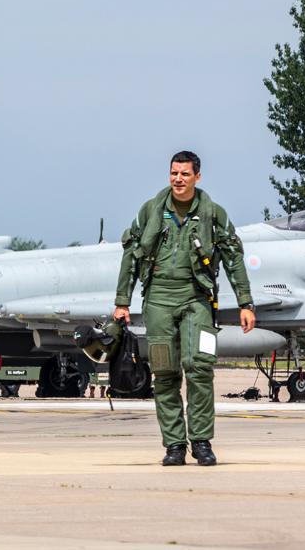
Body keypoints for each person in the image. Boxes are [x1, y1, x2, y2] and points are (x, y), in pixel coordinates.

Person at [114, 151, 254, 467]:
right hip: (158, 300)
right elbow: (131, 255)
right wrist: (122, 301)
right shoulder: (150, 211)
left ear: (197, 177)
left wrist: (245, 303)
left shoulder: (213, 214)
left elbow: (233, 258)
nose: (178, 179)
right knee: (164, 372)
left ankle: (201, 442)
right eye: (174, 173)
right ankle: (174, 445)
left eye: (185, 174)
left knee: (199, 368)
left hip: (197, 299)